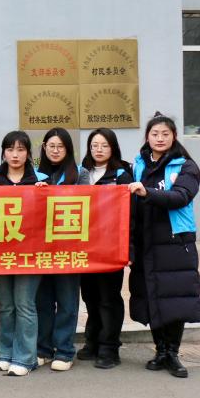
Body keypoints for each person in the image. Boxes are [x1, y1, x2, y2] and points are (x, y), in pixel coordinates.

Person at [129, 113, 200, 379]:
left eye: (165, 134)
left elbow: (181, 196)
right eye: (155, 134)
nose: (159, 138)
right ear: (147, 137)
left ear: (174, 137)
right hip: (145, 241)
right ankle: (160, 350)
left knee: (175, 299)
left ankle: (173, 353)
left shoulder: (186, 166)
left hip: (175, 242)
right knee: (151, 296)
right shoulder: (138, 165)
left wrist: (147, 192)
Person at [0, 131, 47, 377]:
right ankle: (5, 353)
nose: (15, 154)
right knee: (6, 306)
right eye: (10, 149)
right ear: (3, 152)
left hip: (30, 253)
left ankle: (25, 357)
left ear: (28, 154)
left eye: (21, 149)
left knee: (24, 304)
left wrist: (46, 194)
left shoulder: (41, 180)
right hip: (0, 253)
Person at [77, 128, 133, 370]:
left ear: (113, 148)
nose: (98, 150)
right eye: (94, 145)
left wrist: (129, 248)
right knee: (90, 297)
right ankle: (92, 342)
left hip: (110, 247)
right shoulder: (82, 172)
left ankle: (110, 348)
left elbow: (130, 214)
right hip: (85, 246)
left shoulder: (122, 175)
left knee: (108, 298)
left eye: (104, 145)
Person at [35, 127, 81, 372]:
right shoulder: (33, 174)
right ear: (44, 148)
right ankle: (43, 349)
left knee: (67, 302)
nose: (55, 150)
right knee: (42, 302)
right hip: (40, 249)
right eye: (51, 146)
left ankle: (64, 351)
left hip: (69, 248)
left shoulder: (79, 174)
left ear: (68, 149)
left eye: (60, 146)